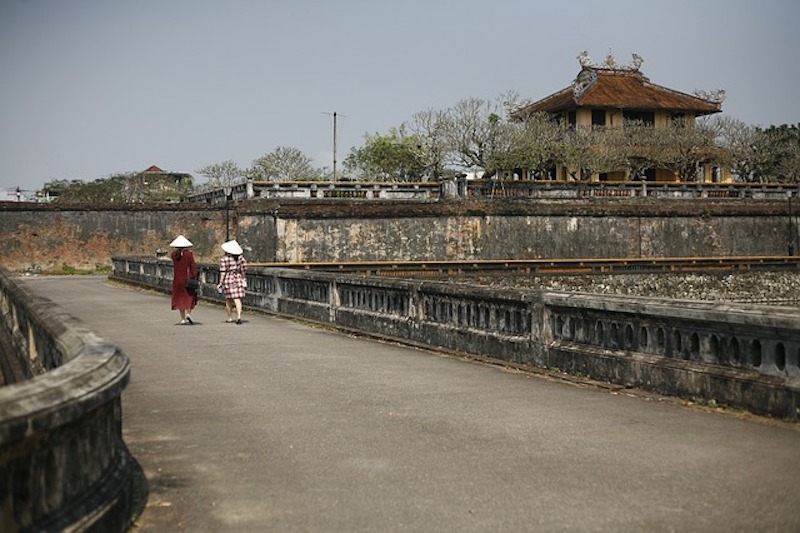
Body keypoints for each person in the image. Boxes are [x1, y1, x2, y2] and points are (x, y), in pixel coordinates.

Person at [170, 235, 198, 325]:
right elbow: (193, 267)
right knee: (189, 297)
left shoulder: (174, 255)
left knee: (180, 298)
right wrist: (194, 276)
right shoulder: (188, 255)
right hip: (187, 279)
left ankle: (182, 318)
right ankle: (188, 314)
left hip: (177, 280)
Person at [218, 240, 246, 324]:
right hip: (238, 278)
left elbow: (223, 272)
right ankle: (239, 316)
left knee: (228, 299)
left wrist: (220, 282)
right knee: (237, 299)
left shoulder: (225, 259)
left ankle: (229, 317)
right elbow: (243, 270)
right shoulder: (241, 258)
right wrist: (243, 279)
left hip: (228, 279)